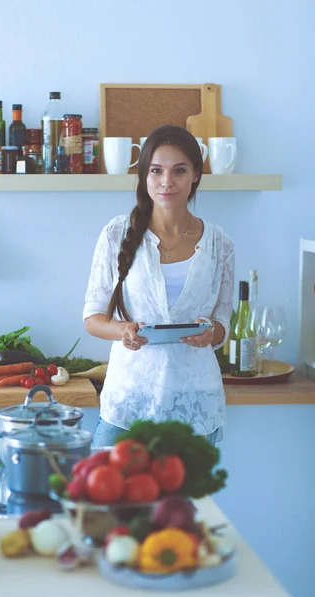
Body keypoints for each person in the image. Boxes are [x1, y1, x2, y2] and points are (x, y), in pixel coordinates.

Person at [83, 124, 235, 447]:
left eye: (179, 171)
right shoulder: (115, 235)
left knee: (186, 500)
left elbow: (223, 323)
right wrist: (123, 330)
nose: (167, 182)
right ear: (145, 176)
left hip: (195, 402)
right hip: (128, 399)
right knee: (105, 495)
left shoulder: (220, 245)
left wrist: (212, 333)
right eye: (157, 171)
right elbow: (93, 318)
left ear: (195, 174)